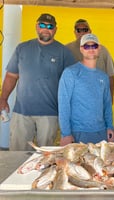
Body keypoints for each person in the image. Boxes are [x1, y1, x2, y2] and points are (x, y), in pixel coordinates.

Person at [0, 13, 76, 151]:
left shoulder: (64, 52)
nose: (45, 29)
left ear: (55, 29)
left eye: (50, 26)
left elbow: (72, 83)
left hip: (50, 113)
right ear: (36, 26)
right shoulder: (22, 48)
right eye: (42, 25)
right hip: (22, 112)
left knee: (46, 155)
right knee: (17, 153)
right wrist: (3, 99)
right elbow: (11, 76)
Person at [59, 33, 114, 146]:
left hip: (101, 132)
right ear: (81, 49)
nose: (91, 49)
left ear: (99, 48)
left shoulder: (103, 77)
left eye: (94, 46)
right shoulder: (70, 73)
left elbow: (107, 105)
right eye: (87, 46)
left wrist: (110, 126)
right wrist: (66, 134)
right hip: (78, 133)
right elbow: (63, 104)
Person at [66, 19, 114, 103]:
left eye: (85, 30)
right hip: (75, 101)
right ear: (74, 32)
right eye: (78, 30)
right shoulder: (67, 50)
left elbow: (110, 76)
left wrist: (110, 97)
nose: (82, 33)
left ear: (90, 31)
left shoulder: (103, 50)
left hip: (99, 100)